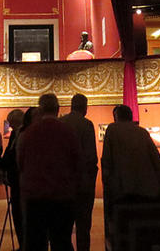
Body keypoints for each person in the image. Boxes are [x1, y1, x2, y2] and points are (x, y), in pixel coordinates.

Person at [17, 93, 80, 251]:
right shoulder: (68, 131)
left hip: (35, 197)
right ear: (58, 109)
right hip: (62, 195)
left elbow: (20, 163)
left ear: (40, 109)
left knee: (36, 243)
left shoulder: (28, 133)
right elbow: (77, 162)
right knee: (62, 241)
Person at [101, 105, 160, 243]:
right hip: (146, 190)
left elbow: (107, 160)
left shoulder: (112, 130)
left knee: (124, 233)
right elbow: (156, 160)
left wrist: (108, 185)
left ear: (116, 117)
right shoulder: (142, 132)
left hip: (124, 190)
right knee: (144, 232)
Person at [60, 94, 97, 251]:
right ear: (85, 107)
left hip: (63, 183)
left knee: (63, 227)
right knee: (83, 228)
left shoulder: (61, 123)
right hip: (82, 184)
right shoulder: (86, 125)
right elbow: (91, 157)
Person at [0, 108, 25, 246]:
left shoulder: (20, 133)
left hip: (20, 180)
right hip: (16, 180)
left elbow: (11, 155)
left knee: (20, 214)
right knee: (17, 214)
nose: (9, 126)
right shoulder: (16, 133)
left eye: (11, 123)